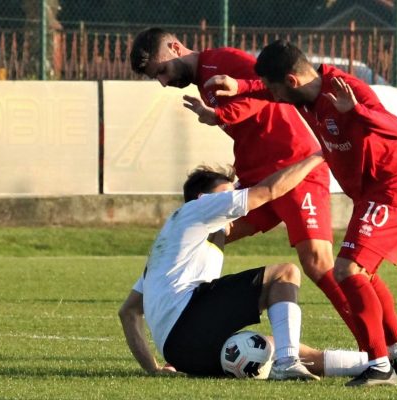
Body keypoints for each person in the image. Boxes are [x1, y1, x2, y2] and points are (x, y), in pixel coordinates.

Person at [203, 40, 397, 387]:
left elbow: (395, 126)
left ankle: (380, 366)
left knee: (347, 269)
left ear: (291, 82)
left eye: (274, 88)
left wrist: (356, 113)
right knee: (363, 274)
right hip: (370, 195)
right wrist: (242, 86)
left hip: (395, 188)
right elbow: (267, 93)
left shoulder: (345, 89)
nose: (273, 97)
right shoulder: (306, 94)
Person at [129, 28, 361, 342]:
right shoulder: (204, 82)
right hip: (258, 178)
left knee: (317, 263)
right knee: (210, 232)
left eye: (162, 71)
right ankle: (186, 321)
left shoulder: (222, 60)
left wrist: (221, 115)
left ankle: (382, 348)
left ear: (174, 47)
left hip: (293, 168)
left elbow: (263, 92)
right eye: (156, 77)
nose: (163, 81)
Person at [118, 154, 372, 380]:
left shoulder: (169, 247)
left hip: (182, 353)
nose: (233, 205)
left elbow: (128, 312)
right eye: (227, 194)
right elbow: (269, 191)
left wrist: (152, 368)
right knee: (285, 273)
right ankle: (287, 364)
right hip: (189, 323)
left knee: (276, 345)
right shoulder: (198, 209)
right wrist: (319, 156)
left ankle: (375, 362)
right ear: (203, 198)